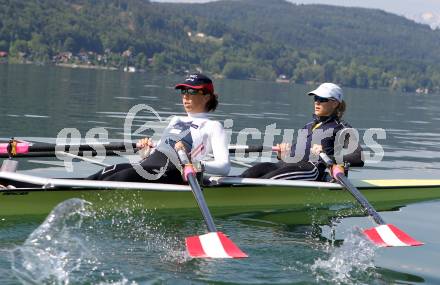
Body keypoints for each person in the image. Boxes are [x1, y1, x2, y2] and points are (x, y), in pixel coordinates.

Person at [87, 73, 230, 184]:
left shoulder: (213, 127)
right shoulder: (175, 120)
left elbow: (224, 167)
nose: (185, 96)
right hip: (150, 167)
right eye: (183, 91)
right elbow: (160, 151)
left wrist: (196, 166)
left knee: (121, 177)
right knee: (105, 173)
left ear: (206, 97)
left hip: (175, 173)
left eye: (192, 91)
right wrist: (146, 152)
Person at [240, 82, 363, 181]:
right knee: (249, 173)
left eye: (322, 99)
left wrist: (326, 157)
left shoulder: (342, 128)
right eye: (316, 98)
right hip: (285, 165)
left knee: (266, 180)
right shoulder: (308, 126)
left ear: (335, 103)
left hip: (309, 169)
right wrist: (282, 154)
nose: (317, 102)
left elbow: (358, 158)